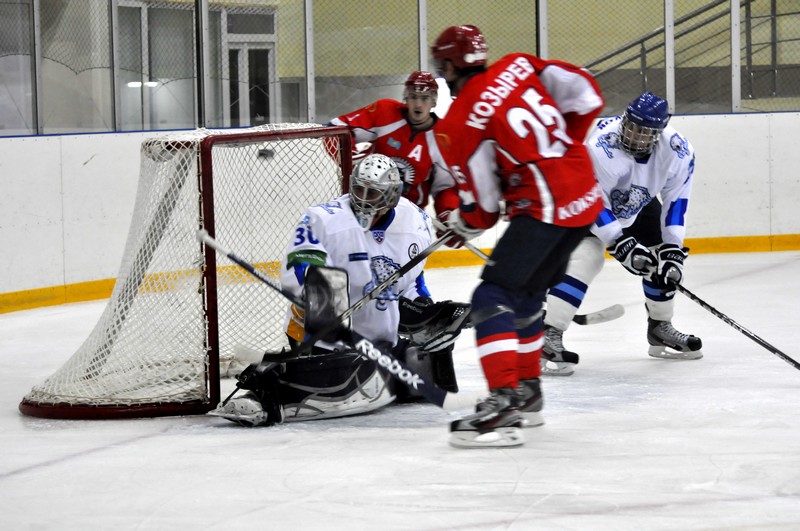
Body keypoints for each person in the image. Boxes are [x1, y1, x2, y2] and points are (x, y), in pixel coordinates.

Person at [430, 25, 605, 448]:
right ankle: (528, 393)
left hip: (546, 208)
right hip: (583, 192)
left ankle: (503, 402)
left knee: (491, 297)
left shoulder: (457, 124)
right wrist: (557, 157)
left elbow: (484, 210)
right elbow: (587, 94)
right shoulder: (519, 64)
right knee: (525, 297)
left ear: (450, 65)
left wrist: (460, 222)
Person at [211, 154, 470, 427]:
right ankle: (266, 393)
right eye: (359, 189)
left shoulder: (415, 221)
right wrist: (325, 305)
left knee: (419, 361)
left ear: (392, 195)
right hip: (320, 335)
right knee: (347, 383)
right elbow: (301, 267)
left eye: (374, 193)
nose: (364, 199)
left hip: (380, 338)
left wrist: (425, 313)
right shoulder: (322, 219)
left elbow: (414, 283)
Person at [541, 91, 702, 376]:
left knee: (662, 257)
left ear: (659, 133)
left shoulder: (678, 152)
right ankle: (548, 335)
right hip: (583, 204)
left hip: (636, 203)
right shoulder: (601, 146)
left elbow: (676, 205)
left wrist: (674, 250)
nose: (634, 135)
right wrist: (619, 243)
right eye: (632, 126)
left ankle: (660, 328)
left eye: (643, 131)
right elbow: (592, 201)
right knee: (588, 258)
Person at [329, 71, 459, 229]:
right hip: (366, 208)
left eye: (424, 98)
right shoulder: (385, 112)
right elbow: (336, 129)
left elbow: (445, 187)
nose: (418, 104)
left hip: (408, 219)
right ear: (406, 97)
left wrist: (448, 214)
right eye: (413, 97)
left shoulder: (444, 139)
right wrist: (350, 159)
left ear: (433, 101)